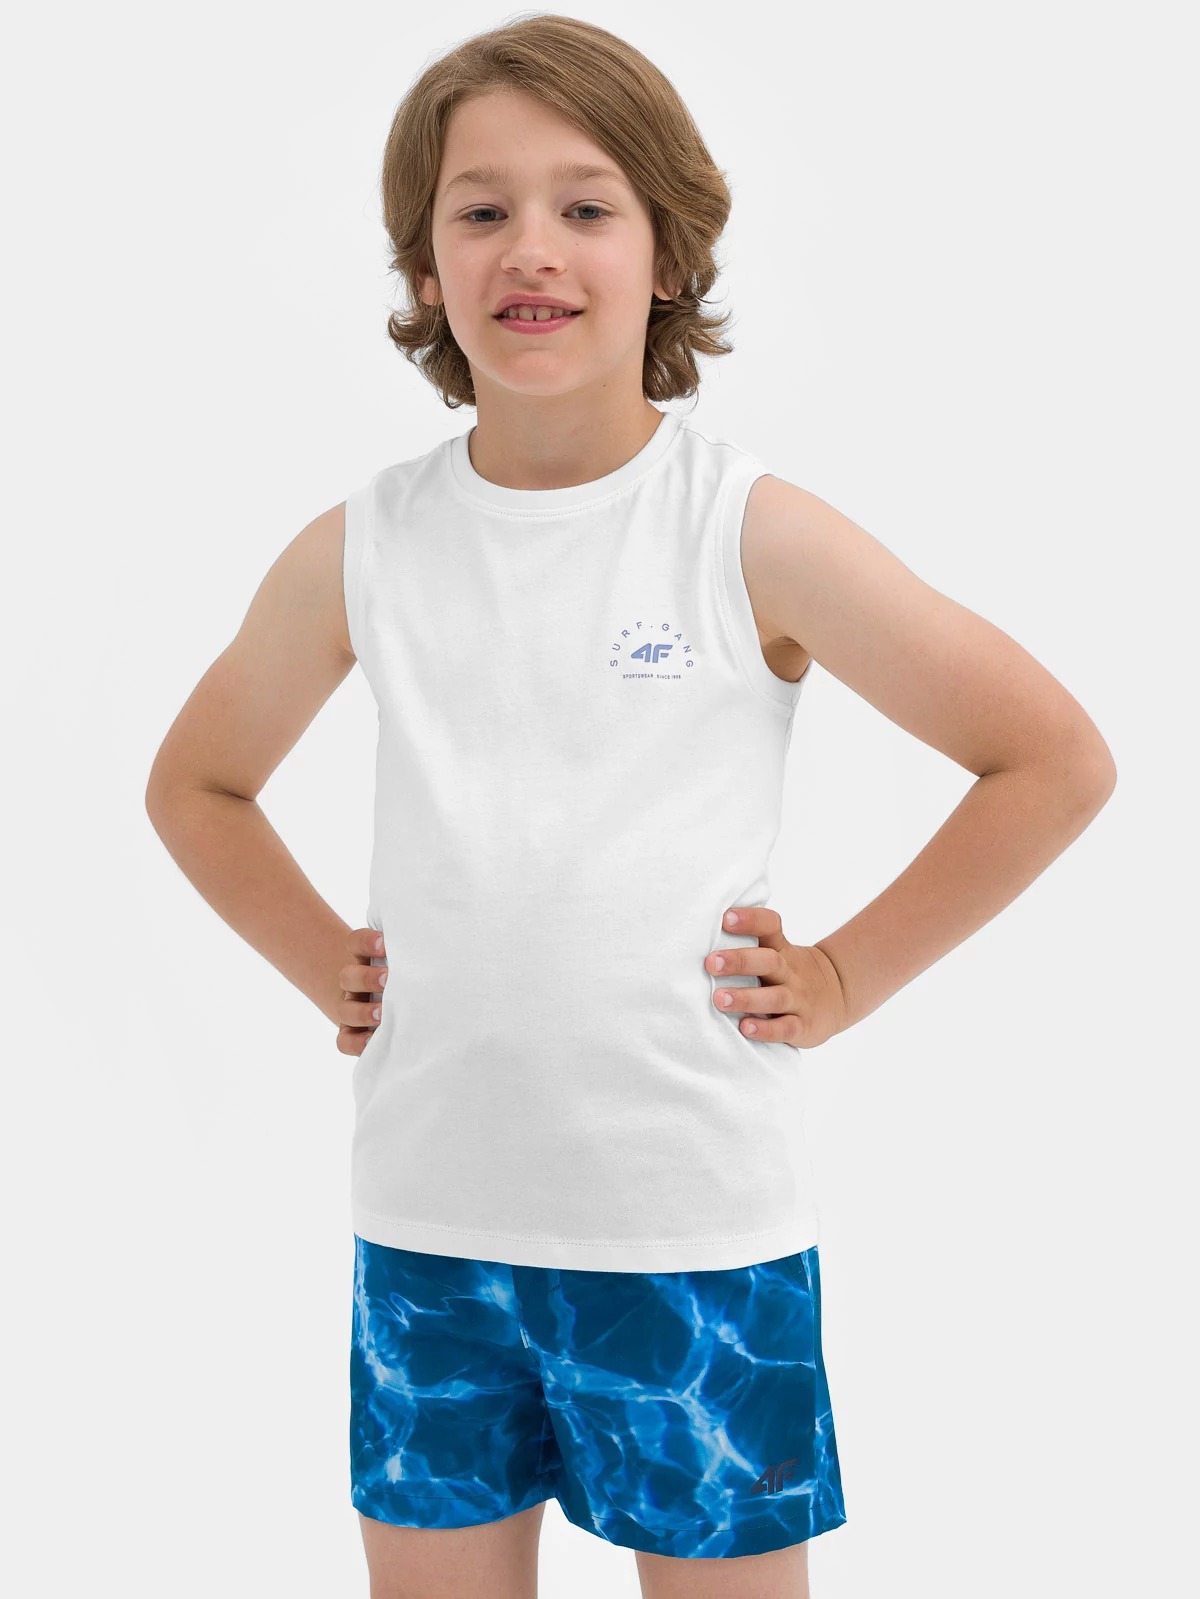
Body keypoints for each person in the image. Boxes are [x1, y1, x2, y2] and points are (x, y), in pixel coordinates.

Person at [144, 14, 1117, 1599]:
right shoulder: (366, 546)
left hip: (688, 1238)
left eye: (586, 206)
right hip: (429, 1232)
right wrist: (323, 961)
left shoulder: (745, 531)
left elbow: (1050, 756)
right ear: (425, 265)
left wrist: (846, 974)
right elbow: (197, 783)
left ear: (667, 253)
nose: (531, 247)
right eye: (482, 209)